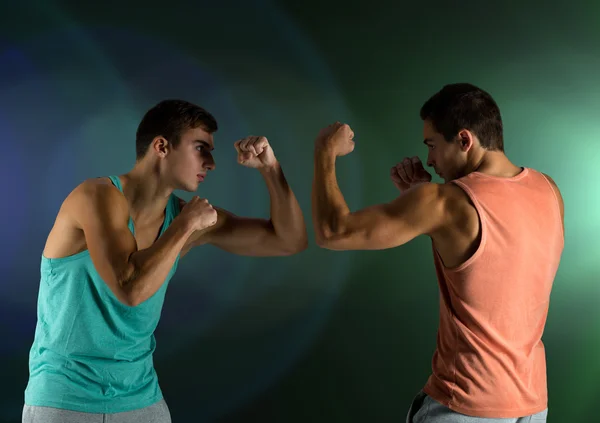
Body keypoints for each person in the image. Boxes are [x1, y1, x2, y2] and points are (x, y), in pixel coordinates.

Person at [22, 99, 308, 423]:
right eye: (201, 148)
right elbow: (129, 289)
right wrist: (185, 226)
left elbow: (288, 240)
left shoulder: (184, 216)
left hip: (142, 401)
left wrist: (271, 170)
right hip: (65, 401)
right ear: (161, 146)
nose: (211, 162)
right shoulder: (96, 197)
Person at [311, 83, 564, 423]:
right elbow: (499, 264)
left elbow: (333, 231)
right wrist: (422, 197)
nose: (429, 159)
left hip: (465, 405)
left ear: (464, 140)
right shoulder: (549, 191)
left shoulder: (444, 202)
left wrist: (325, 151)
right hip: (531, 407)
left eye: (432, 145)